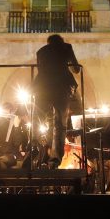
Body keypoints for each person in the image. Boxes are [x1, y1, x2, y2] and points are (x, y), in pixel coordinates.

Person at [34, 34, 80, 168]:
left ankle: (41, 154)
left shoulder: (41, 52)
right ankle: (54, 160)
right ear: (61, 41)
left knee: (43, 121)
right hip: (61, 88)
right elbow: (76, 69)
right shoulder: (66, 47)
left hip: (43, 88)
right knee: (60, 124)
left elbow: (41, 71)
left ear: (48, 43)